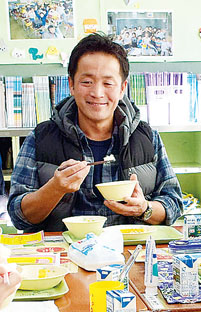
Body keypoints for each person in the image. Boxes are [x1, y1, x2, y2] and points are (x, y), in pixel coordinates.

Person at [8, 33, 183, 233]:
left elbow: (174, 204)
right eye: (87, 82)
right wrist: (55, 188)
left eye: (108, 83)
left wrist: (144, 209)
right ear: (72, 85)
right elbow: (18, 217)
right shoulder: (41, 137)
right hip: (65, 255)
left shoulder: (146, 137)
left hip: (129, 253)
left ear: (122, 88)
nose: (97, 93)